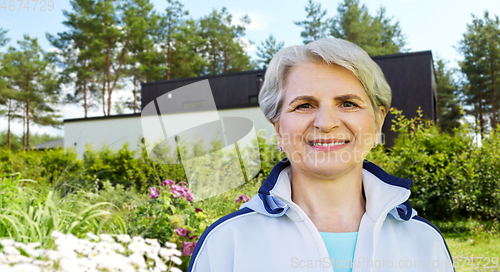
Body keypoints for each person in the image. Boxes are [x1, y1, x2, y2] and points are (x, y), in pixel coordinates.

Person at [187, 38, 454, 272]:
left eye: (348, 103)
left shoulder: (424, 242)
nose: (325, 123)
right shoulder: (226, 242)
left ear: (377, 123)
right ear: (278, 128)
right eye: (304, 105)